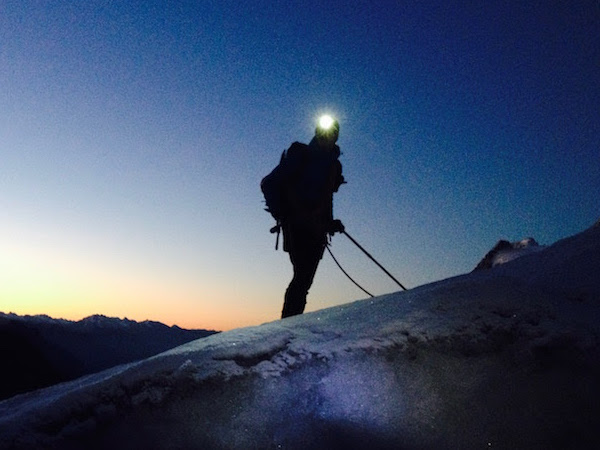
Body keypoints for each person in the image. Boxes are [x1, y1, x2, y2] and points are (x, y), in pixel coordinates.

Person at [262, 115, 346, 318]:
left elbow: (325, 198)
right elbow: (269, 183)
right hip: (298, 228)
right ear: (317, 133)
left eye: (332, 133)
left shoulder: (334, 165)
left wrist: (330, 222)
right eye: (324, 132)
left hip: (316, 231)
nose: (327, 137)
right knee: (302, 280)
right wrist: (284, 213)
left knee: (303, 280)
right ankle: (289, 325)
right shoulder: (302, 156)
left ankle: (290, 324)